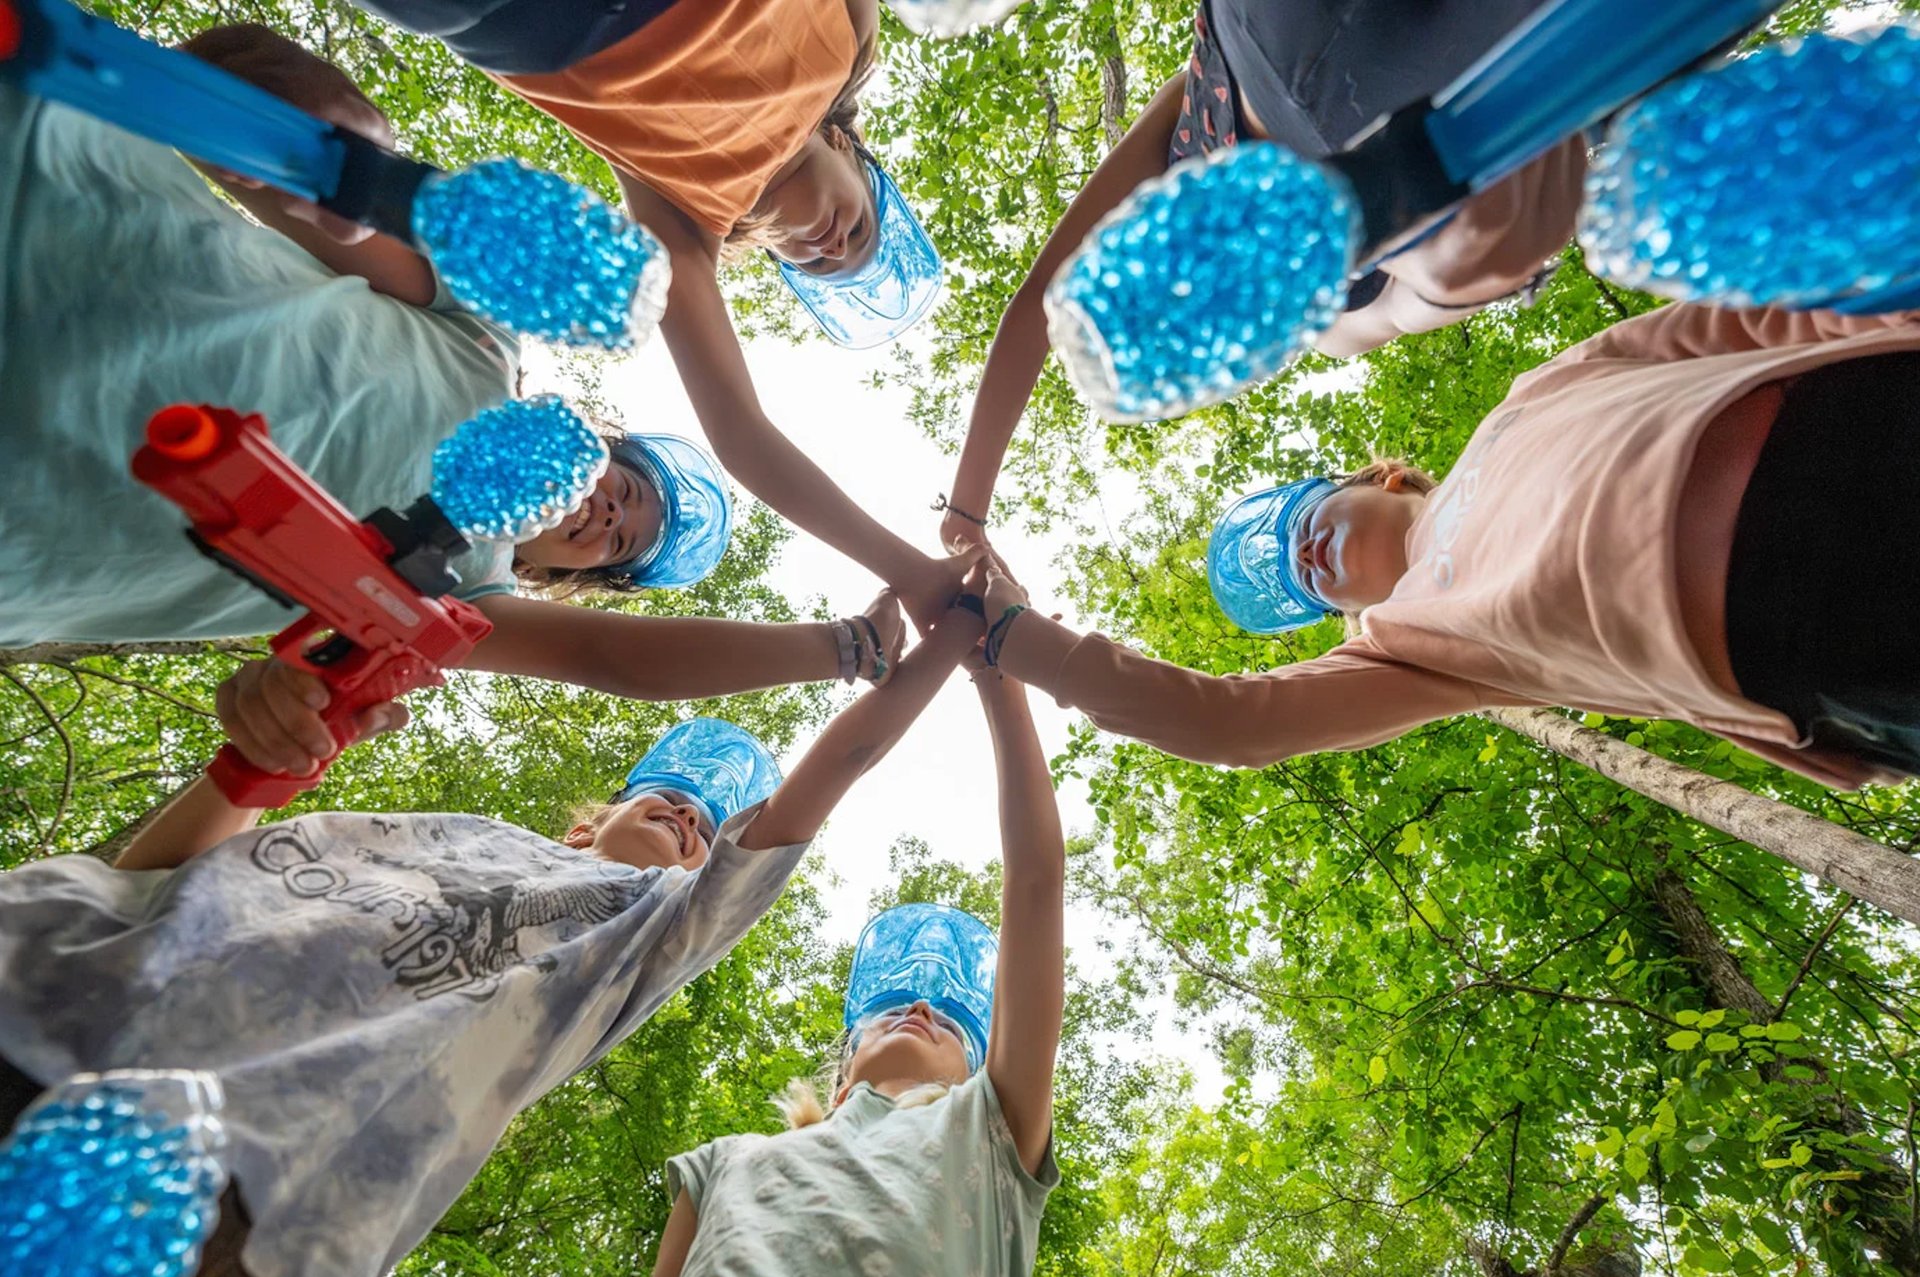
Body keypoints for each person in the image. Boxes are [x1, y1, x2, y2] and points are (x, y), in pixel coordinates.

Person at [0, 594, 991, 1277]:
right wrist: (247, 774)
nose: (693, 820)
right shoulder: (450, 836)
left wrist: (943, 638)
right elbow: (162, 892)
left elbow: (833, 771)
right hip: (44, 991)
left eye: (706, 826)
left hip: (232, 1181)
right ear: (583, 821)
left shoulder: (643, 934)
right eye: (668, 798)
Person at [0, 55, 912, 749]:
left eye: (619, 543)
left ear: (577, 577)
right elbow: (303, 174)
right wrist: (303, 116)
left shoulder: (454, 601)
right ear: (593, 431)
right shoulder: (476, 334)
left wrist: (840, 649)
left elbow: (612, 661)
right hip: (42, 196)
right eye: (624, 489)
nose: (606, 515)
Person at [972, 302, 1920, 790]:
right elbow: (1232, 721)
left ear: (1379, 478)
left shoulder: (1520, 404)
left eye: (1305, 526)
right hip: (1808, 642)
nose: (1304, 560)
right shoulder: (1402, 641)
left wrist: (1886, 321)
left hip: (1842, 427)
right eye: (1305, 586)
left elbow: (1702, 330)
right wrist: (1027, 641)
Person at [308, 2, 969, 627]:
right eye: (857, 232)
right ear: (854, 154)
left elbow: (742, 431)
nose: (829, 248)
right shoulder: (849, 42)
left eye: (816, 263)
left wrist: (904, 569)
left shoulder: (684, 220)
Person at [937, 0, 1588, 550]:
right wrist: (1461, 272)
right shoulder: (1327, 319)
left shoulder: (1190, 118)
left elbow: (1037, 310)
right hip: (1463, 95)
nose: (1185, 292)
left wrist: (965, 512)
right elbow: (1415, 300)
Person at [650, 643, 1066, 1275]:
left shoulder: (987, 1130)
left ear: (975, 1073)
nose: (923, 1005)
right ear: (842, 1068)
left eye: (953, 1024)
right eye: (889, 1009)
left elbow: (1037, 882)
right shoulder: (723, 1162)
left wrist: (998, 675)